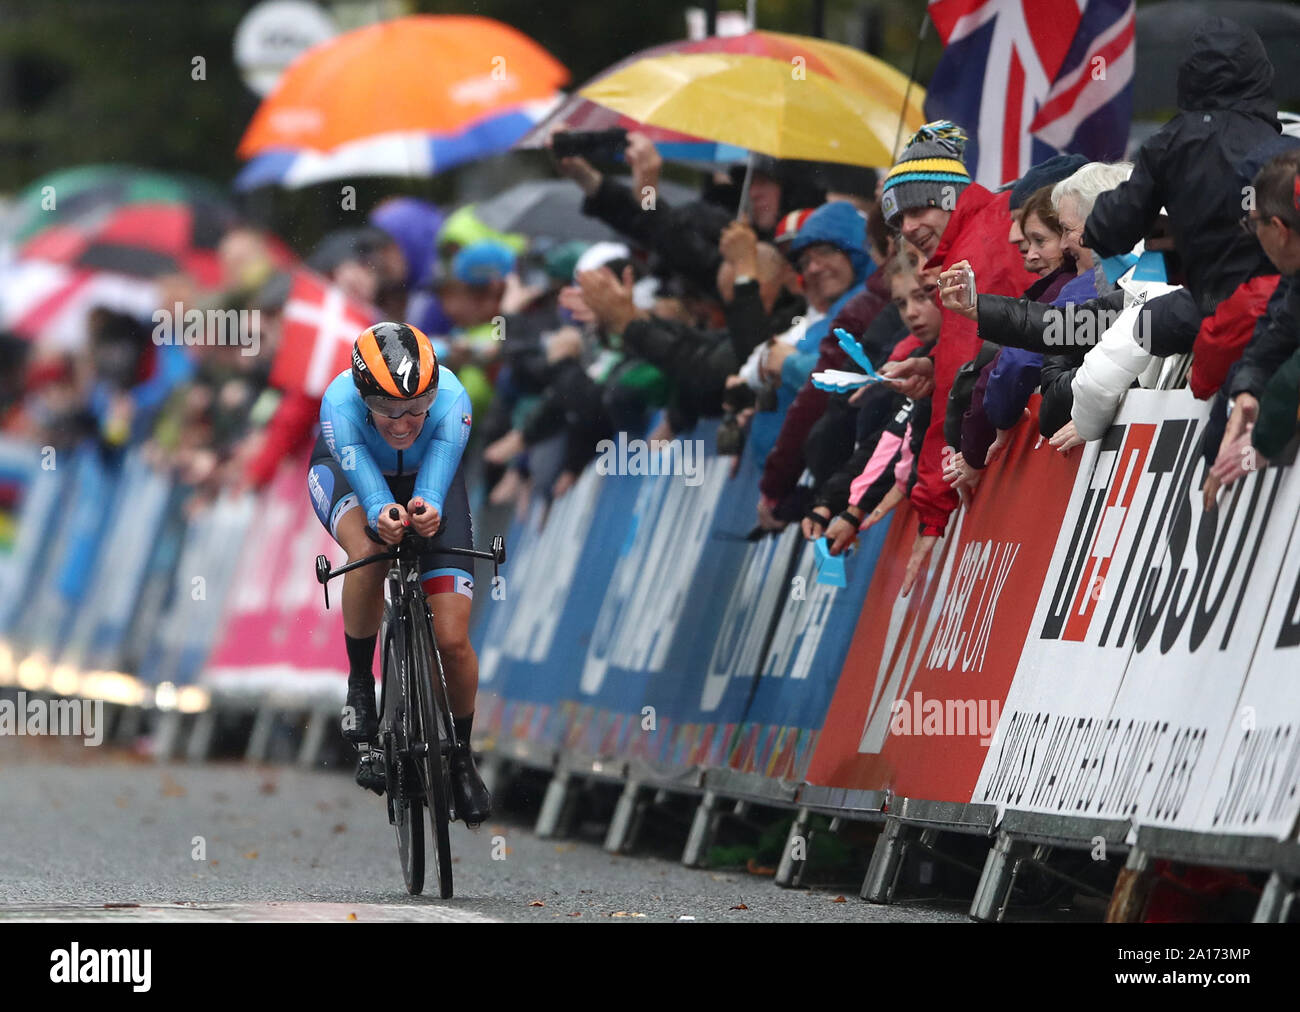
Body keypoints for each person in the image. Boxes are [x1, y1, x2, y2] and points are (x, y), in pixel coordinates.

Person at [307, 322, 491, 825]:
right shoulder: (340, 403)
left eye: (416, 407)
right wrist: (384, 514)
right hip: (350, 470)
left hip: (426, 474)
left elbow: (437, 477)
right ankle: (361, 684)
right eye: (387, 410)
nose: (404, 422)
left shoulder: (453, 399)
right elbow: (369, 493)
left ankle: (461, 757)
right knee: (371, 545)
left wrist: (428, 508)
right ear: (365, 397)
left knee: (452, 639)